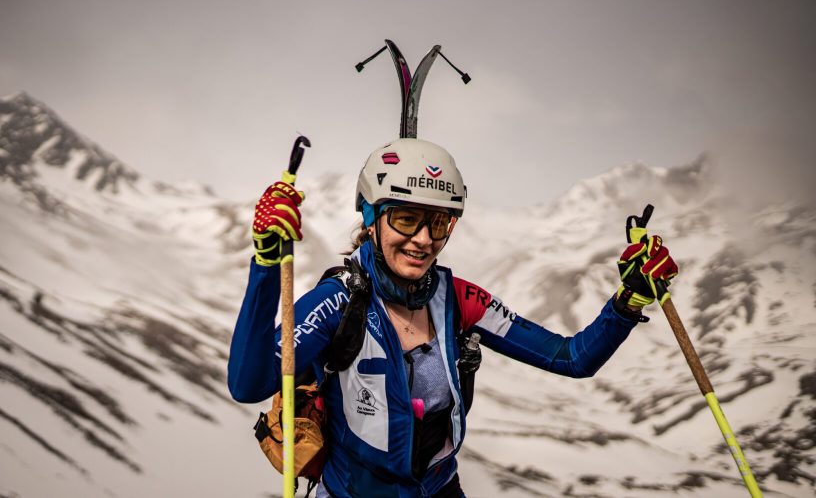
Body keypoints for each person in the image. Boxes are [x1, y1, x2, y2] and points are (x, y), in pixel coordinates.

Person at [227, 138, 678, 497]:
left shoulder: (457, 298)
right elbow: (248, 384)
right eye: (406, 219)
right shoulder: (338, 301)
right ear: (371, 217)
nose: (423, 240)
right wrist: (267, 261)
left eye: (439, 224)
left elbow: (571, 358)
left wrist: (631, 299)